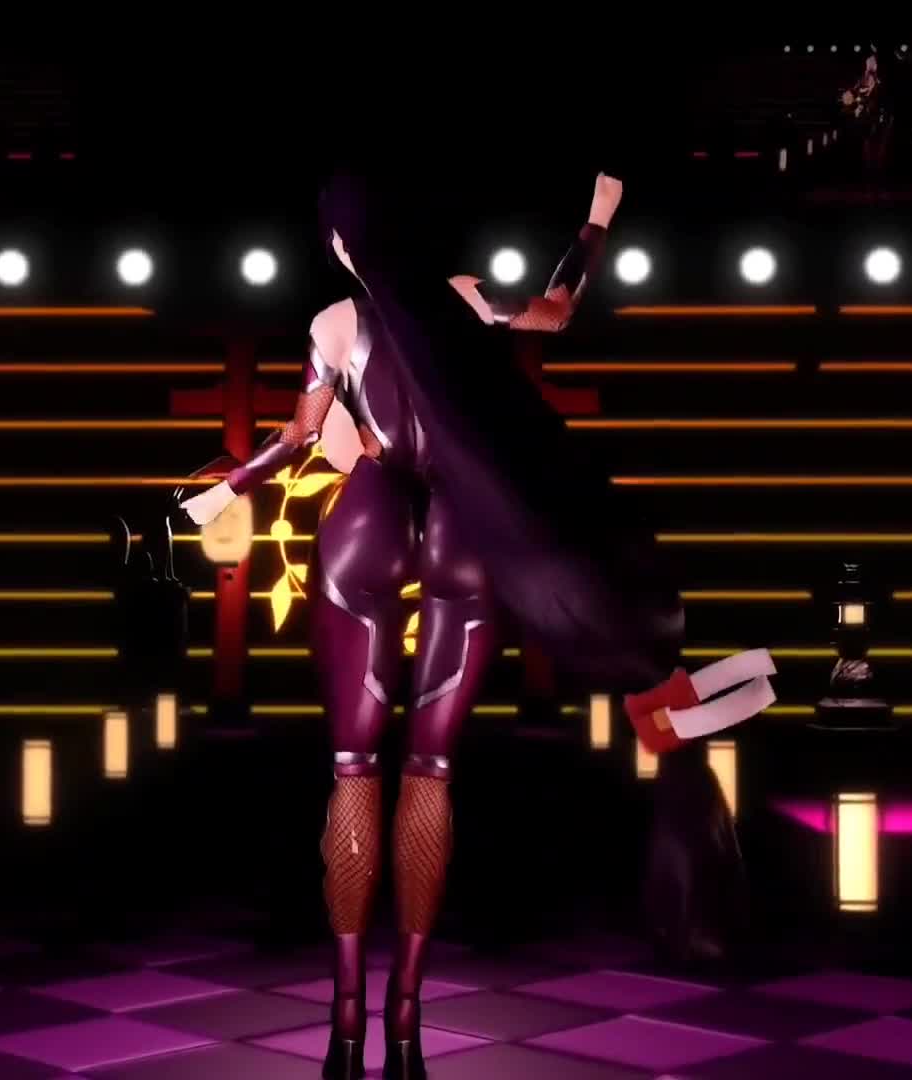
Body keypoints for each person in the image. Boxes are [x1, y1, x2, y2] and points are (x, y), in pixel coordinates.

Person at [182, 172, 774, 1080]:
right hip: (462, 530)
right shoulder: (463, 299)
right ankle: (406, 1023)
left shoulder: (335, 324)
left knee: (353, 767)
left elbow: (297, 438)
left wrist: (219, 493)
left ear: (341, 246)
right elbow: (558, 310)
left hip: (369, 520)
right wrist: (595, 222)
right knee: (430, 772)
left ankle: (347, 1021)